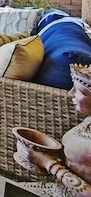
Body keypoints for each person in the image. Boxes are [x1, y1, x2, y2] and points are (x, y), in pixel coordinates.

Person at [25, 64, 91, 196]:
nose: (71, 93)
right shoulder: (88, 121)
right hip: (58, 188)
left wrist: (48, 163)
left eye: (80, 91)